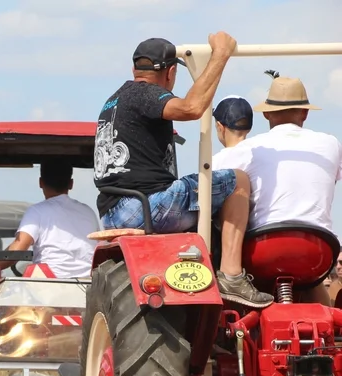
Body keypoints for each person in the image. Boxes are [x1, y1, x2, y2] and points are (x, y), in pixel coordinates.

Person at [94, 33, 273, 309]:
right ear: (171, 72)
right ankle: (233, 276)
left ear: (134, 69)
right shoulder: (144, 93)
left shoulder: (113, 101)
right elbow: (191, 107)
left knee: (203, 192)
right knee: (238, 180)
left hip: (113, 210)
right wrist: (220, 55)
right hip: (146, 206)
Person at [210, 75, 342, 306]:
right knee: (312, 283)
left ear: (266, 114)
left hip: (263, 251)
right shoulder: (331, 144)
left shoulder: (247, 148)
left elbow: (211, 184)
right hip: (319, 253)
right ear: (305, 113)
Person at [0, 161, 100, 278]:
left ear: (40, 182)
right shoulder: (88, 212)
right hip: (88, 286)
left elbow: (17, 250)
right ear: (71, 184)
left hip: (49, 286)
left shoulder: (36, 212)